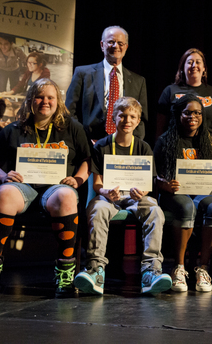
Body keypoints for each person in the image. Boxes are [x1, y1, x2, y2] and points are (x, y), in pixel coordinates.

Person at [0, 78, 90, 299]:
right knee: (4, 193)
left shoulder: (72, 127)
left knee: (67, 196)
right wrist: (4, 176)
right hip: (24, 188)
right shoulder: (14, 129)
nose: (45, 102)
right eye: (39, 97)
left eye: (50, 97)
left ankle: (65, 274)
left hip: (56, 189)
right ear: (30, 100)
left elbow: (87, 159)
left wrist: (77, 179)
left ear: (58, 101)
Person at [75, 97, 172, 295]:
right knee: (98, 209)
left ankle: (151, 271)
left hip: (135, 197)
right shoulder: (101, 146)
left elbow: (147, 184)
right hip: (109, 197)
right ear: (113, 118)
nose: (127, 120)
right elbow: (97, 184)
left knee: (154, 210)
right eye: (122, 115)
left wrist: (142, 192)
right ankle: (95, 270)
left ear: (138, 121)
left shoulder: (143, 147)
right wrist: (105, 192)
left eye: (132, 117)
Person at [154, 94, 212, 293]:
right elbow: (153, 176)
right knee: (186, 207)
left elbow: (211, 172)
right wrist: (163, 184)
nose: (192, 116)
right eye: (187, 113)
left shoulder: (207, 140)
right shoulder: (165, 140)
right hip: (174, 194)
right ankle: (179, 267)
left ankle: (202, 269)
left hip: (201, 192)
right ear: (178, 114)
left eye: (197, 113)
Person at [66, 26, 148, 141]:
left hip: (123, 146)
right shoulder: (83, 73)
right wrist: (82, 141)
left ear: (126, 47)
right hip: (88, 143)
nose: (116, 46)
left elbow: (141, 119)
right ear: (102, 45)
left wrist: (132, 144)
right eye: (111, 42)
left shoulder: (138, 81)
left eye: (120, 43)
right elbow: (69, 111)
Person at [157, 48, 212, 156]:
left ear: (204, 68)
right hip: (175, 152)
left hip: (208, 152)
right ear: (182, 68)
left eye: (198, 62)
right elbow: (160, 127)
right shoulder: (170, 91)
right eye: (189, 62)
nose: (194, 65)